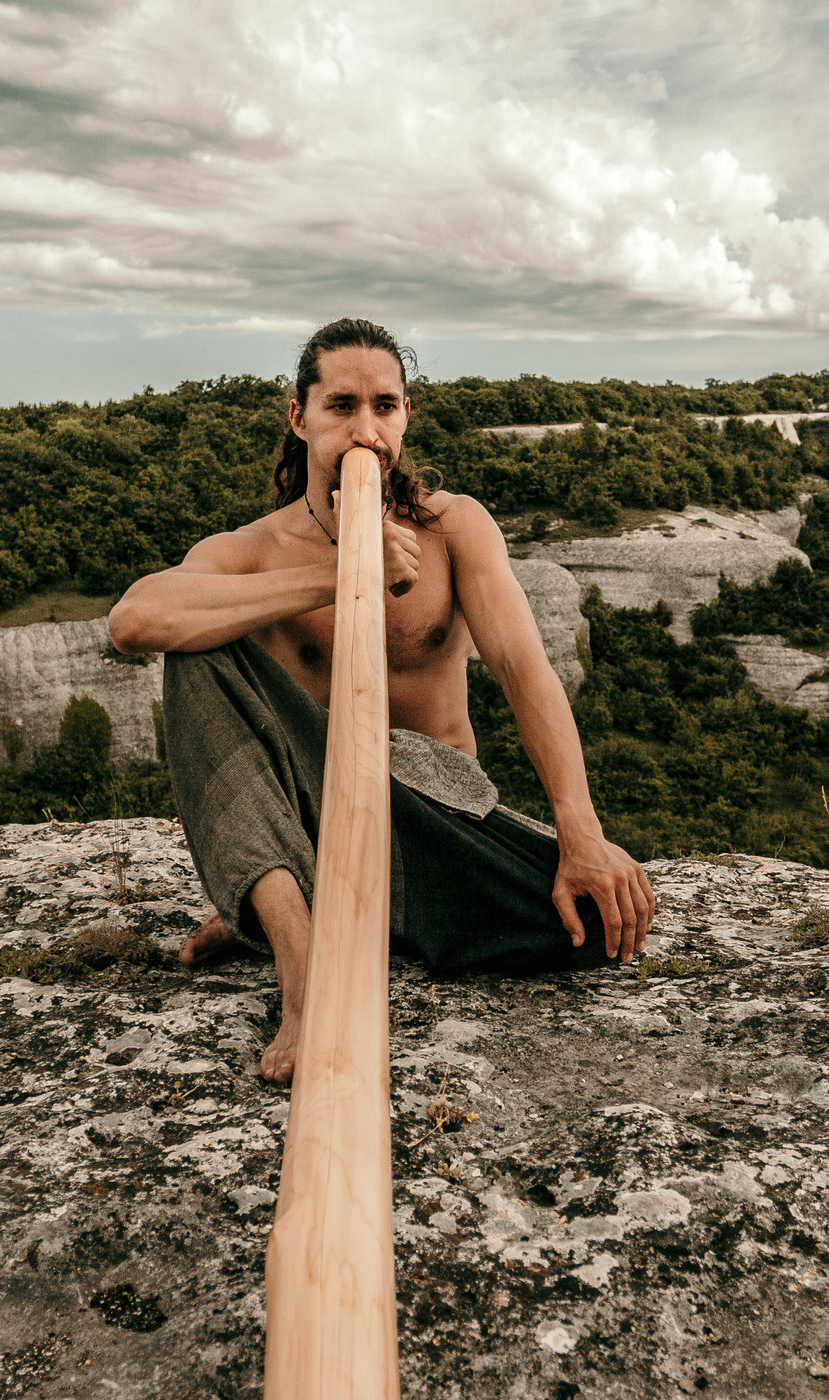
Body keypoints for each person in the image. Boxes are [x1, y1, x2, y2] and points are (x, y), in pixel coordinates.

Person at [108, 317, 656, 1082]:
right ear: (298, 419)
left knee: (601, 922)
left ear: (406, 416)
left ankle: (293, 908)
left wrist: (582, 832)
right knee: (197, 649)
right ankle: (298, 957)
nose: (366, 430)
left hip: (428, 820)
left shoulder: (453, 526)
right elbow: (136, 620)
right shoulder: (254, 550)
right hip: (311, 811)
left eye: (385, 406)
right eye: (341, 406)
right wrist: (344, 573)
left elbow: (527, 672)